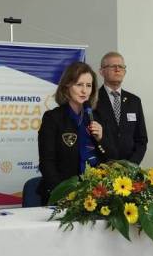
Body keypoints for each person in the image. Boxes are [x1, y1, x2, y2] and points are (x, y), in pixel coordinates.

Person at [38, 62, 115, 203]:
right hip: (62, 195)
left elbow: (112, 158)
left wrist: (101, 138)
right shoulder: (53, 118)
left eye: (89, 85)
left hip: (96, 194)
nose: (84, 91)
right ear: (67, 86)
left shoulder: (98, 117)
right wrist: (63, 194)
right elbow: (46, 163)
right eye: (79, 85)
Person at [94, 51, 148, 164]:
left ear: (125, 71)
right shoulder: (92, 100)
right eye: (113, 66)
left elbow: (141, 139)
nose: (117, 69)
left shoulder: (134, 101)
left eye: (121, 66)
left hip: (130, 167)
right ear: (101, 71)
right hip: (101, 167)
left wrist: (132, 165)